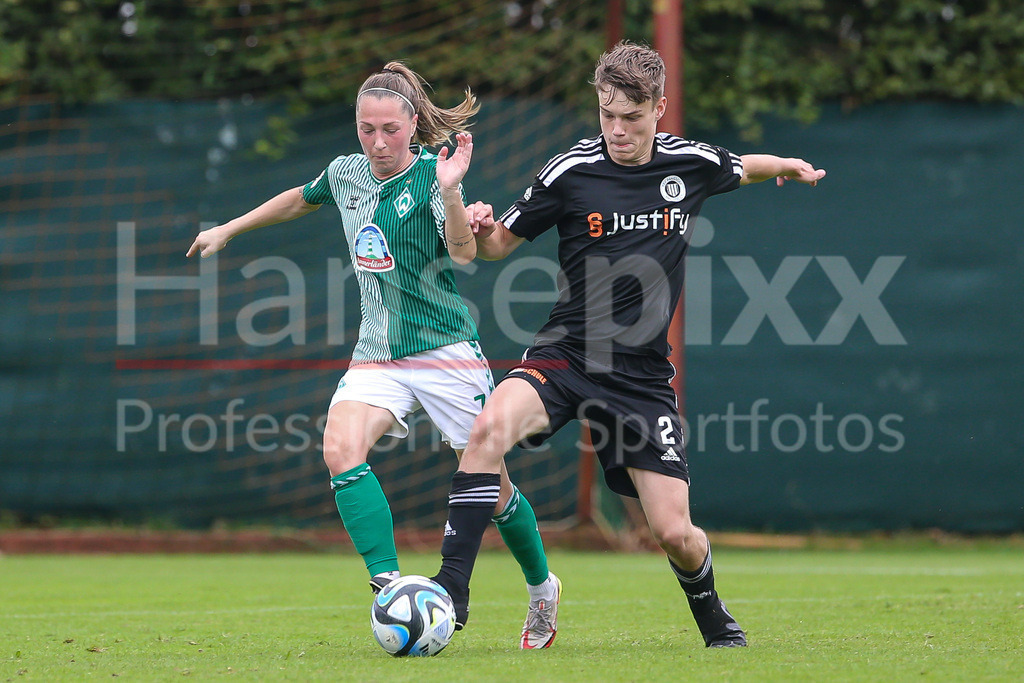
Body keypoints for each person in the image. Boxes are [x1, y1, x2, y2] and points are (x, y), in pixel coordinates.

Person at [432, 41, 826, 648]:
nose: (616, 129)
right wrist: (470, 214)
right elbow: (495, 247)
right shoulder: (571, 171)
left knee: (675, 534)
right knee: (486, 433)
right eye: (606, 115)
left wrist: (789, 166)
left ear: (659, 108)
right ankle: (450, 594)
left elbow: (745, 166)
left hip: (640, 379)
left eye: (631, 118)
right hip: (565, 354)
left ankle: (714, 618)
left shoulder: (689, 164)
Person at [186, 61, 561, 650]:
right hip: (377, 354)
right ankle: (390, 589)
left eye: (389, 129)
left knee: (494, 489)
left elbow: (465, 256)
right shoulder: (347, 173)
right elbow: (300, 199)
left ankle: (542, 589)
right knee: (340, 446)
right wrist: (229, 228)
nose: (378, 142)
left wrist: (455, 191)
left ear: (413, 125)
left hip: (445, 352)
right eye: (367, 129)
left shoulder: (432, 177)